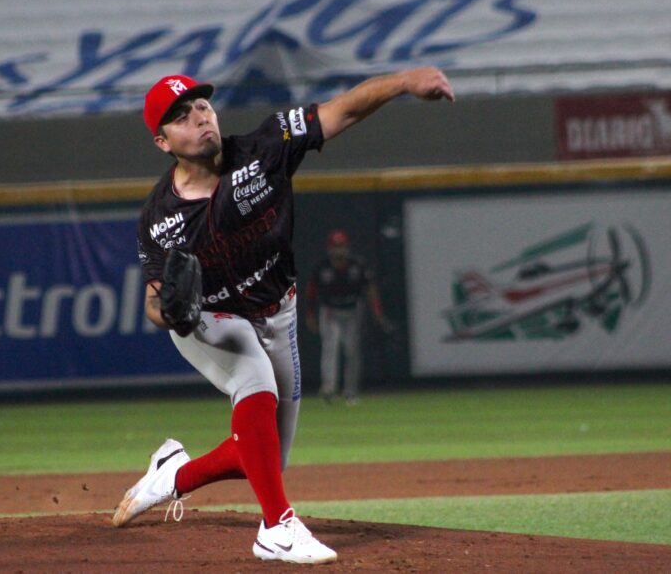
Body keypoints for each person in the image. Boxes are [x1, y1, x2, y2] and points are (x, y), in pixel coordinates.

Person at [115, 68, 453, 564]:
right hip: (213, 319)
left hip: (279, 310)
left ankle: (172, 475)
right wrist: (171, 314)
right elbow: (154, 301)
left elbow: (343, 111)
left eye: (202, 107)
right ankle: (277, 527)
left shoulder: (266, 146)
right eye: (181, 118)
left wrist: (405, 81)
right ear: (163, 142)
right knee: (254, 384)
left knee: (268, 456)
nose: (199, 119)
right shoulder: (158, 219)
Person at [306, 229, 391, 405]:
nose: (339, 250)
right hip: (330, 311)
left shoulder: (357, 265)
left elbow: (370, 289)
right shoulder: (322, 268)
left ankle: (350, 391)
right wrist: (311, 315)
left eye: (342, 246)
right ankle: (329, 388)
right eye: (336, 247)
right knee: (331, 348)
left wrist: (377, 312)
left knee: (352, 351)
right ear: (329, 248)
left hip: (352, 311)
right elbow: (311, 292)